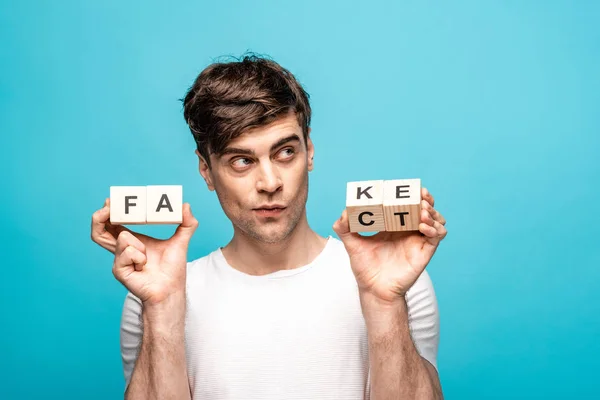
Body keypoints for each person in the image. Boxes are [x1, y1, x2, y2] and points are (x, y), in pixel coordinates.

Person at [90, 54, 448, 400]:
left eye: (285, 152)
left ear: (309, 150)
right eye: (242, 161)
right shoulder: (156, 294)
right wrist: (164, 306)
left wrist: (385, 304)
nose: (270, 182)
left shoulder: (395, 281)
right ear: (206, 171)